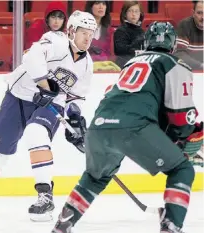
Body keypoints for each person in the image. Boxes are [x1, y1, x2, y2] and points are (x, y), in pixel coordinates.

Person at [51, 22, 203, 233]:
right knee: (182, 169)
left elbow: (117, 97)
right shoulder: (173, 63)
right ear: (174, 44)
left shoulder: (130, 63)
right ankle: (171, 227)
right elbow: (179, 116)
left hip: (99, 126)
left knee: (96, 177)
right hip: (134, 127)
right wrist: (184, 139)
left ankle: (63, 224)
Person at [0, 10, 97, 222]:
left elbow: (76, 96)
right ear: (71, 31)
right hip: (19, 96)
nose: (88, 38)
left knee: (36, 133)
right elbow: (31, 56)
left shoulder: (87, 64)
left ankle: (45, 195)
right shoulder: (55, 40)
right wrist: (44, 85)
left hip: (51, 104)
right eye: (83, 33)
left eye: (91, 33)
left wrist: (76, 118)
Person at [114, 1, 144, 69]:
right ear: (125, 14)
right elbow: (120, 51)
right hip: (124, 66)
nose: (134, 14)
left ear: (140, 14)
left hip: (139, 64)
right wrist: (136, 43)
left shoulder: (141, 30)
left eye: (136, 11)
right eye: (130, 11)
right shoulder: (121, 30)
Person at [174, 0, 203, 70]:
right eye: (199, 13)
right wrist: (201, 65)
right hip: (189, 71)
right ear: (193, 13)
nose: (203, 17)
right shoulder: (184, 25)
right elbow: (179, 54)